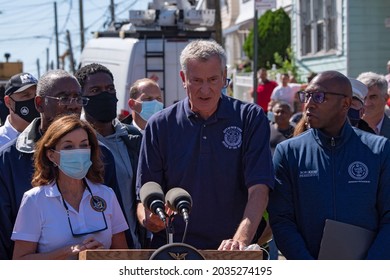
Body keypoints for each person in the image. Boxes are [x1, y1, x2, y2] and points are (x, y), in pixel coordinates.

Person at [136, 39, 274, 251]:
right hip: (174, 251)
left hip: (231, 250)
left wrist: (240, 241)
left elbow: (259, 189)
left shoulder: (250, 117)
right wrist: (149, 218)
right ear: (183, 78)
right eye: (197, 80)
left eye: (212, 79)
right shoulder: (159, 125)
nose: (205, 89)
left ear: (224, 75)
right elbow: (145, 193)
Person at [268, 70, 390, 260]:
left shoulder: (379, 149)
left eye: (319, 96)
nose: (309, 104)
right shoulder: (289, 152)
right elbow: (281, 219)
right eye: (306, 96)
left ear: (346, 104)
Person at [0, 69, 120, 259]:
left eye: (77, 98)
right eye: (63, 98)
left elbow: (119, 242)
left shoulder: (101, 154)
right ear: (39, 104)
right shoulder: (9, 160)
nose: (73, 106)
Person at [11, 114, 128, 259]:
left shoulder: (107, 195)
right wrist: (68, 252)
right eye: (68, 146)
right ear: (51, 155)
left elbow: (124, 256)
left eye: (84, 145)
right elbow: (19, 262)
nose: (78, 152)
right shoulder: (34, 200)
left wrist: (100, 253)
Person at [75, 63, 144, 249]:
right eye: (95, 90)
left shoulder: (133, 138)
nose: (105, 95)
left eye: (110, 89)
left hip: (134, 247)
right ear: (82, 99)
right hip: (94, 249)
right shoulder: (75, 144)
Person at [0, 73, 39, 147]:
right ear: (8, 102)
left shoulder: (48, 137)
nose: (34, 100)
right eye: (26, 95)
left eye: (36, 95)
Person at [357, 72, 390, 137]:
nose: (366, 103)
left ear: (385, 98)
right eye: (363, 97)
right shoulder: (344, 130)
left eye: (373, 97)